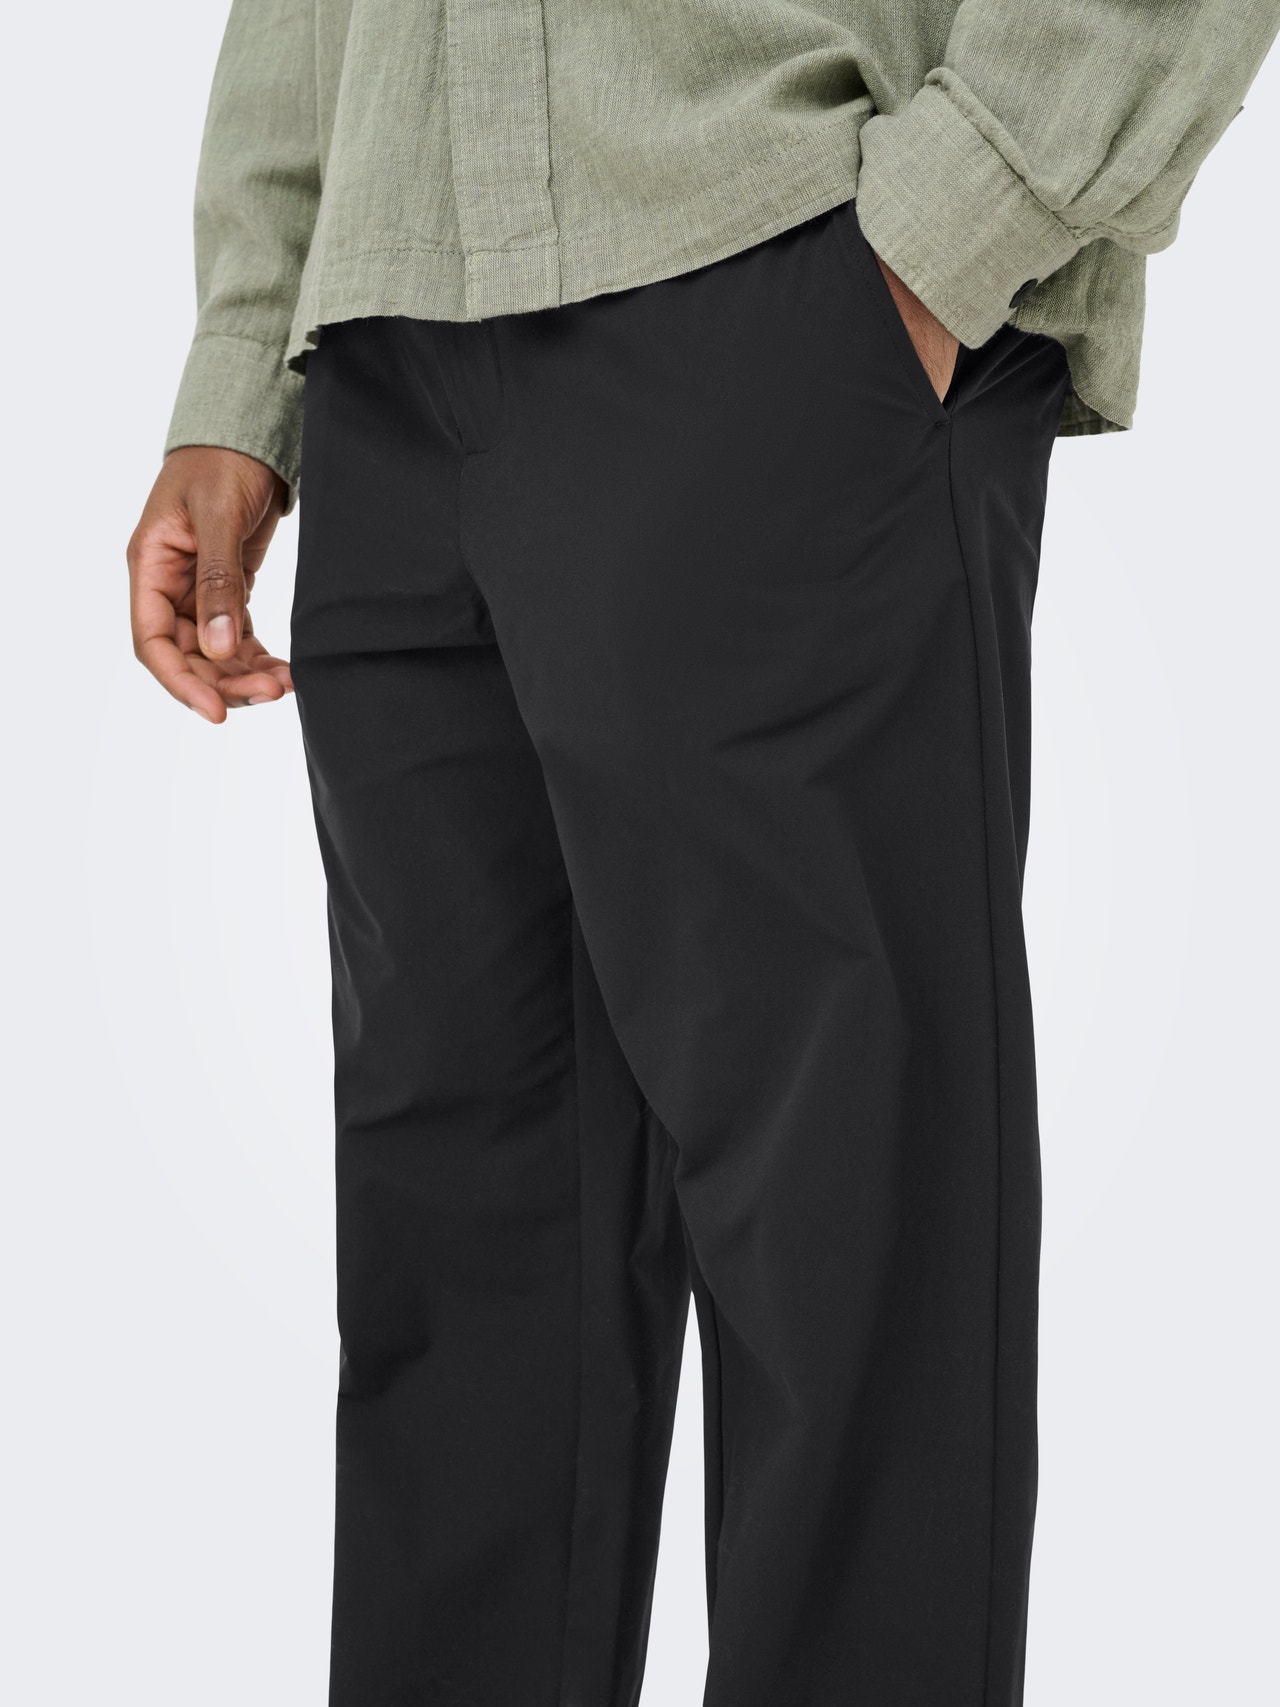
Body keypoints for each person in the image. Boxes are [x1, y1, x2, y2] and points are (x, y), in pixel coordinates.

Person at [127, 5, 1278, 1702]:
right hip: (385, 339)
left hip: (774, 254)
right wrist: (243, 363)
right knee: (465, 1295)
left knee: (844, 1260)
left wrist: (966, 216)